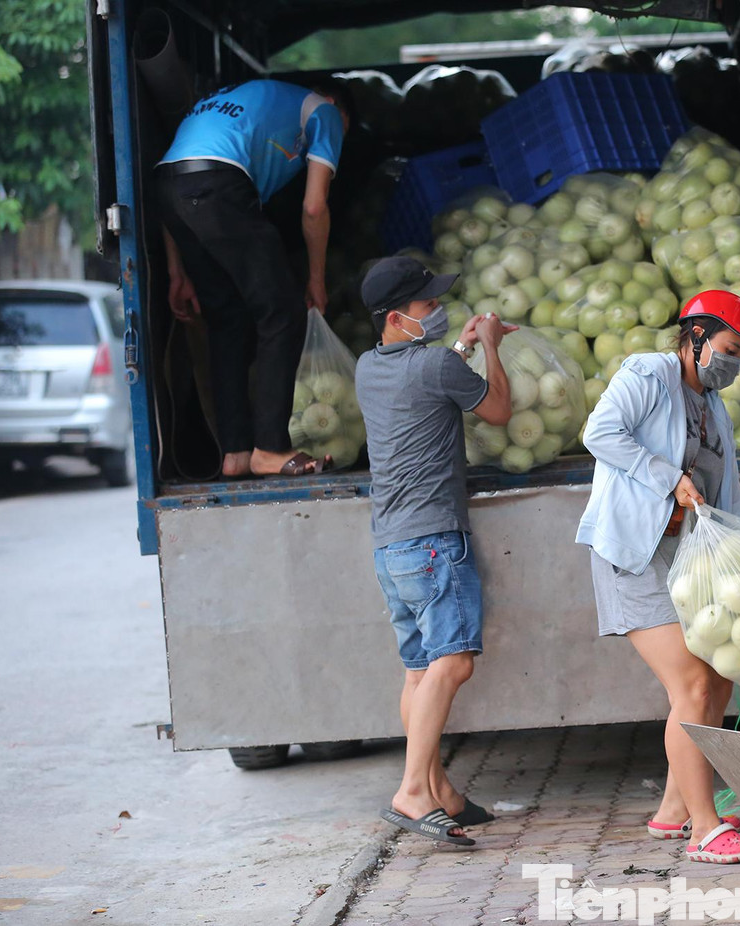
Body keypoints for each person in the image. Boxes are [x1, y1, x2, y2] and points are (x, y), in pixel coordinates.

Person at [577, 291, 740, 864]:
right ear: (695, 336)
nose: (734, 364)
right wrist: (668, 477)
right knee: (689, 683)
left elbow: (729, 496)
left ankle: (673, 810)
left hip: (687, 562)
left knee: (717, 677)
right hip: (633, 555)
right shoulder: (649, 373)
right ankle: (705, 830)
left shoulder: (715, 410)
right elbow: (600, 432)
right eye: (729, 349)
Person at [355, 256, 514, 846]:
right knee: (455, 663)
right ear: (399, 317)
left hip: (391, 545)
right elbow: (497, 410)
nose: (439, 311)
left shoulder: (368, 366)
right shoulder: (435, 364)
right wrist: (490, 346)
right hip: (432, 543)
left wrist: (462, 350)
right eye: (427, 306)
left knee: (421, 669)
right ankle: (413, 792)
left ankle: (440, 788)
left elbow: (430, 385)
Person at [156, 79, 352, 478]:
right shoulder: (324, 111)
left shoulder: (242, 102)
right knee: (282, 314)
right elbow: (314, 207)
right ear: (335, 106)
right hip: (217, 187)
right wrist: (316, 279)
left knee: (228, 321)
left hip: (170, 189)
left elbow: (181, 177)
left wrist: (178, 272)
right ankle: (270, 447)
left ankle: (236, 453)